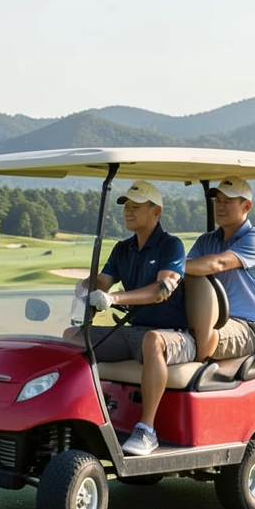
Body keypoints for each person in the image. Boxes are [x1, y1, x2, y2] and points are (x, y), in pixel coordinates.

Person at [73, 180, 192, 456]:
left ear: (156, 211)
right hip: (135, 332)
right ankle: (81, 414)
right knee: (72, 338)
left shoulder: (171, 246)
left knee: (152, 340)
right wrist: (83, 288)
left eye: (136, 207)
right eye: (126, 206)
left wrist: (114, 299)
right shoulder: (122, 249)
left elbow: (161, 290)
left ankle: (147, 430)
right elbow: (103, 282)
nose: (128, 211)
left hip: (175, 335)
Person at [185, 176, 255, 363]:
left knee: (203, 336)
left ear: (246, 206)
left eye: (227, 201)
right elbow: (186, 270)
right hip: (208, 321)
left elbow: (218, 264)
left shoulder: (254, 238)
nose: (220, 206)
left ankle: (197, 371)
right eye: (218, 201)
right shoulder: (206, 240)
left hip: (247, 326)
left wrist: (169, 265)